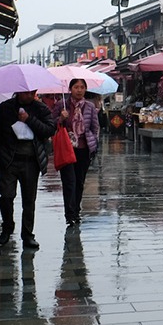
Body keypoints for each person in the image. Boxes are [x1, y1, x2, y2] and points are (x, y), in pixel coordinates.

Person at [0, 90, 56, 250]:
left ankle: (27, 235)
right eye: (26, 93)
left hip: (31, 160)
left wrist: (29, 119)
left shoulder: (41, 109)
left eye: (32, 92)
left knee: (29, 200)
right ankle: (7, 225)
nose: (29, 95)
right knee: (6, 195)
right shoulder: (5, 108)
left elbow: (49, 130)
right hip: (9, 159)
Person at [52, 79, 100, 225]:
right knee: (69, 182)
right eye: (76, 87)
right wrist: (61, 118)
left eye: (82, 87)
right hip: (67, 148)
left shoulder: (90, 106)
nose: (79, 90)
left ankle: (76, 211)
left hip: (83, 149)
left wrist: (93, 141)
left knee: (79, 182)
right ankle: (69, 213)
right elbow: (51, 123)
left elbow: (95, 127)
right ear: (70, 89)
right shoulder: (62, 105)